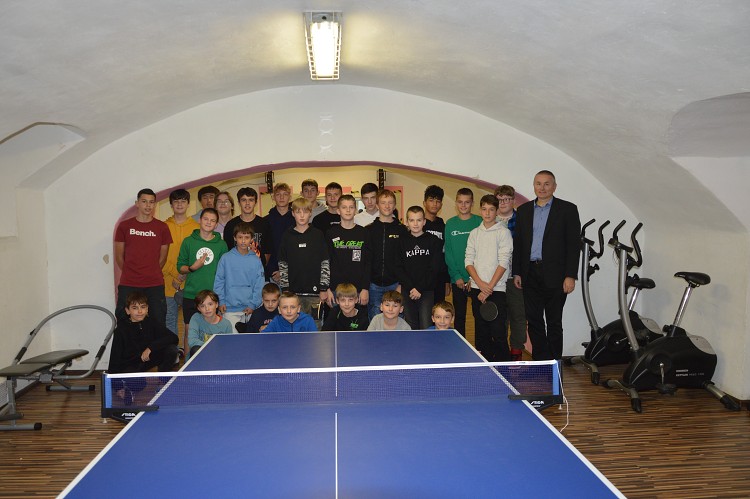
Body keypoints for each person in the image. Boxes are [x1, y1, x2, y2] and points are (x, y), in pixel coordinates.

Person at [512, 170, 581, 361]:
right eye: (538, 183)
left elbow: (574, 245)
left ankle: (554, 363)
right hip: (529, 273)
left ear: (554, 187)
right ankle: (541, 362)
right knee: (534, 321)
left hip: (556, 275)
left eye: (546, 184)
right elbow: (519, 244)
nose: (542, 188)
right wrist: (517, 272)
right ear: (534, 186)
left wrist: (570, 275)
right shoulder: (524, 210)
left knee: (554, 321)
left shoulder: (567, 209)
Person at [108, 291, 179, 405]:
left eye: (143, 307)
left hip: (147, 359)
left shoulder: (151, 322)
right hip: (130, 365)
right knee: (139, 384)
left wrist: (150, 348)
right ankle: (127, 387)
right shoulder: (120, 330)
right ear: (127, 311)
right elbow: (114, 359)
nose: (140, 311)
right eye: (135, 308)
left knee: (171, 349)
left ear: (147, 309)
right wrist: (117, 387)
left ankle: (163, 381)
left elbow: (173, 338)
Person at [114, 188, 172, 325]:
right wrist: (131, 272)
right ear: (137, 203)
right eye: (144, 201)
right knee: (124, 321)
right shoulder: (124, 226)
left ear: (155, 204)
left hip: (154, 284)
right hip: (129, 283)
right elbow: (119, 257)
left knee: (157, 321)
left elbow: (162, 258)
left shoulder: (162, 227)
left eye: (151, 202)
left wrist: (150, 272)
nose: (148, 205)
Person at [466, 194, 513, 361]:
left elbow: (503, 262)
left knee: (498, 333)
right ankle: (485, 368)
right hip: (477, 289)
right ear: (480, 210)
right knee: (481, 332)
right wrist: (480, 284)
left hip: (497, 290)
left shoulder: (504, 233)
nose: (487, 213)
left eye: (491, 209)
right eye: (484, 209)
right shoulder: (474, 233)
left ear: (496, 211)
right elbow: (468, 261)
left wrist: (489, 288)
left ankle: (504, 369)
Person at [278, 197, 330, 317]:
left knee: (315, 324)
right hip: (293, 294)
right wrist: (285, 289)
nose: (302, 215)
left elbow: (325, 262)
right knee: (294, 323)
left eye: (305, 212)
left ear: (310, 213)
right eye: (298, 212)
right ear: (293, 213)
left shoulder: (318, 235)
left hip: (315, 294)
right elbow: (283, 264)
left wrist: (323, 288)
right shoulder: (287, 236)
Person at [177, 208, 228, 326]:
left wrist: (222, 297)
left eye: (212, 220)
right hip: (191, 295)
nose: (208, 222)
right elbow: (180, 267)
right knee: (190, 331)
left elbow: (224, 273)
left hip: (212, 297)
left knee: (211, 331)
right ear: (199, 220)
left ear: (216, 225)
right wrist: (192, 268)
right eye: (205, 219)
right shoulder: (188, 241)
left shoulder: (221, 245)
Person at [396, 206, 443, 330]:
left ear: (424, 222)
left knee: (426, 325)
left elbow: (434, 268)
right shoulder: (401, 241)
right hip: (408, 291)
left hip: (426, 291)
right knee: (410, 326)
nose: (415, 224)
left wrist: (419, 288)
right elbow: (398, 268)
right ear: (407, 222)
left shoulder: (434, 241)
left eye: (419, 220)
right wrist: (411, 288)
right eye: (412, 220)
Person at [162, 188, 200, 340]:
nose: (179, 204)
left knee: (190, 321)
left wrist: (182, 275)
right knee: (169, 319)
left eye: (183, 201)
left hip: (190, 281)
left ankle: (189, 351)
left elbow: (196, 255)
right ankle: (173, 352)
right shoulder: (163, 226)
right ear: (171, 204)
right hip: (167, 281)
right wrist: (174, 274)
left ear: (188, 204)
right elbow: (160, 255)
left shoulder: (196, 227)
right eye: (176, 201)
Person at [213, 222, 265, 331]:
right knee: (232, 339)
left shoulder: (256, 260)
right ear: (235, 238)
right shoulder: (226, 258)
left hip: (250, 309)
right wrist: (221, 301)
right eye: (240, 237)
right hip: (229, 309)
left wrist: (253, 304)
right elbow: (219, 281)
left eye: (247, 237)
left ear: (252, 239)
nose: (243, 241)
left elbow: (259, 284)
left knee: (250, 339)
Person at [444, 188, 482, 337]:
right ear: (456, 203)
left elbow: (483, 252)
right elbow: (449, 252)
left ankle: (480, 348)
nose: (463, 205)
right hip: (458, 279)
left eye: (467, 202)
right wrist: (456, 276)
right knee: (459, 317)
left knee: (479, 316)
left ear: (472, 203)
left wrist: (474, 277)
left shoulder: (479, 221)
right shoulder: (450, 224)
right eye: (460, 202)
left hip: (477, 279)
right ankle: (461, 346)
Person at [495, 184, 527, 361]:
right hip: (495, 278)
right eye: (500, 199)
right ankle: (501, 351)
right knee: (499, 316)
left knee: (518, 315)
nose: (503, 203)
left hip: (515, 276)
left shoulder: (522, 220)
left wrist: (519, 273)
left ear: (513, 201)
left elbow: (524, 249)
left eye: (507, 199)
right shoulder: (489, 220)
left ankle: (516, 350)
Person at [324, 194, 371, 308]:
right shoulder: (330, 233)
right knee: (336, 319)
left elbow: (368, 262)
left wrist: (365, 288)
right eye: (344, 207)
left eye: (351, 207)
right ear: (338, 211)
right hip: (335, 289)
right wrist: (327, 288)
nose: (348, 210)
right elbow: (326, 262)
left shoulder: (364, 233)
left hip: (358, 290)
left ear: (355, 210)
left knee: (357, 319)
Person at [367, 189, 407, 320]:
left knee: (396, 322)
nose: (387, 206)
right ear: (377, 205)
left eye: (390, 202)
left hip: (395, 284)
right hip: (373, 285)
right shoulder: (368, 230)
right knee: (375, 323)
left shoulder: (402, 230)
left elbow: (406, 260)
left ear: (395, 205)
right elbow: (365, 260)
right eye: (383, 202)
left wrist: (401, 283)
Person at [223, 187, 272, 269]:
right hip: (236, 271)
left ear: (255, 202)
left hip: (258, 271)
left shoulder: (264, 224)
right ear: (239, 203)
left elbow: (268, 251)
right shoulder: (230, 225)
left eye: (251, 200)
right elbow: (227, 250)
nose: (247, 203)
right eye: (244, 200)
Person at [423, 185, 451, 306]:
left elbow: (445, 254)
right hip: (421, 279)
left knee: (439, 311)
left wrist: (447, 281)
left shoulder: (443, 226)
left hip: (439, 278)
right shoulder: (418, 224)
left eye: (438, 201)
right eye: (431, 200)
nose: (435, 204)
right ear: (424, 203)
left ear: (441, 205)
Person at [187, 289, 234, 357]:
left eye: (210, 304)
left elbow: (228, 346)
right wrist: (212, 346)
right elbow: (192, 341)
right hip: (201, 355)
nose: (207, 309)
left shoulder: (226, 324)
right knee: (196, 349)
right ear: (198, 308)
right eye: (202, 306)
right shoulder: (196, 318)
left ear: (216, 304)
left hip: (218, 356)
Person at [265, 183, 295, 282]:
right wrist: (272, 270)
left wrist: (285, 271)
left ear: (290, 197)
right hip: (270, 273)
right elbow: (265, 249)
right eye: (278, 194)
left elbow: (297, 249)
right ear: (273, 197)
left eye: (285, 194)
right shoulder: (265, 221)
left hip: (293, 272)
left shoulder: (297, 221)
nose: (282, 197)